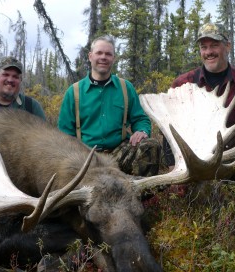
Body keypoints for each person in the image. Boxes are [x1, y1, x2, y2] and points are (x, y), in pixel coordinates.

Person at [58, 35, 161, 177]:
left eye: (108, 54)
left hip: (119, 152)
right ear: (90, 56)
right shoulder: (74, 92)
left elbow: (140, 119)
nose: (103, 57)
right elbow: (64, 134)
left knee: (150, 146)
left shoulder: (126, 88)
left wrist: (142, 131)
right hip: (85, 155)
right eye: (99, 53)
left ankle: (140, 196)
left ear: (113, 58)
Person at [163, 22, 235, 181]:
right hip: (196, 163)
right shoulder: (182, 84)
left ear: (227, 46)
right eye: (204, 47)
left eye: (214, 45)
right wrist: (173, 170)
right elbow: (168, 132)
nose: (209, 52)